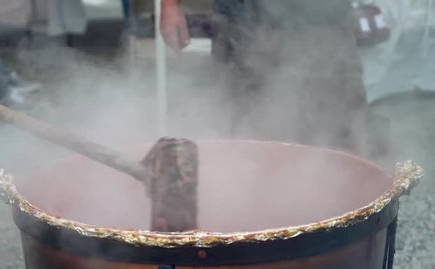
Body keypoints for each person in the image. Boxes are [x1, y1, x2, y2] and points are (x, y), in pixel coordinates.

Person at [160, 0, 388, 161]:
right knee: (243, 126)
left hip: (322, 13)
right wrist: (170, 4)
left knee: (341, 124)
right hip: (243, 13)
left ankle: (351, 214)